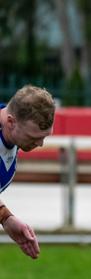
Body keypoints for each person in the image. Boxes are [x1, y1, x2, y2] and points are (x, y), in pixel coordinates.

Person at [0, 84, 55, 259]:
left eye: (44, 137)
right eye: (34, 138)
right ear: (11, 122)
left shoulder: (9, 132)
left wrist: (6, 219)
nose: (40, 144)